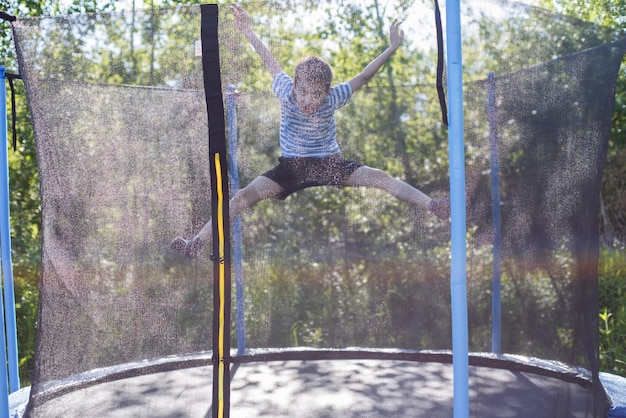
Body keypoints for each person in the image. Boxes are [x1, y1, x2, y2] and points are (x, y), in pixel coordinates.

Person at [172, 4, 450, 259]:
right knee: (242, 197)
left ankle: (433, 205)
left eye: (316, 94)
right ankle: (196, 241)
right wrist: (247, 30)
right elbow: (268, 61)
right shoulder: (285, 92)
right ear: (294, 86)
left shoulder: (334, 97)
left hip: (329, 164)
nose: (309, 100)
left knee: (380, 177)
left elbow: (364, 77)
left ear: (327, 92)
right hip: (292, 168)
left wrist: (392, 47)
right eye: (303, 92)